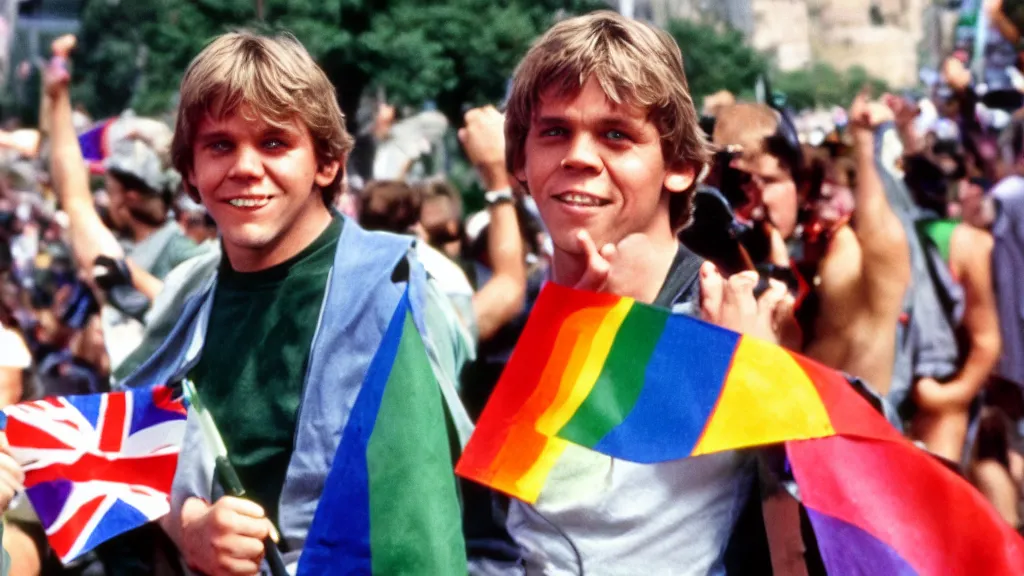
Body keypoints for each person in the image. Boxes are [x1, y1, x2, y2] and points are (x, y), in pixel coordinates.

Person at [111, 31, 471, 574]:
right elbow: (128, 446)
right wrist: (190, 527)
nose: (245, 167)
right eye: (219, 145)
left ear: (326, 164)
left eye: (274, 143)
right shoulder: (188, 293)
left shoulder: (392, 289)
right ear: (189, 172)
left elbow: (418, 530)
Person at [498, 11, 796, 573]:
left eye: (616, 134)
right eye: (555, 131)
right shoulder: (511, 329)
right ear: (521, 160)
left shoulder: (734, 321)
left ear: (679, 166)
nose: (580, 157)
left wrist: (770, 399)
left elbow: (830, 531)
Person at [713, 98, 912, 397]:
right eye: (740, 183)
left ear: (802, 185)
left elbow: (885, 244)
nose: (757, 198)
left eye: (769, 180)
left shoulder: (839, 254)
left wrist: (864, 143)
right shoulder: (712, 252)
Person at [44, 35, 209, 370]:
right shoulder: (119, 244)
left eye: (112, 188)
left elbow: (205, 312)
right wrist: (57, 97)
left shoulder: (181, 251)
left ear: (131, 194)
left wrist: (132, 278)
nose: (106, 196)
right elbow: (73, 194)